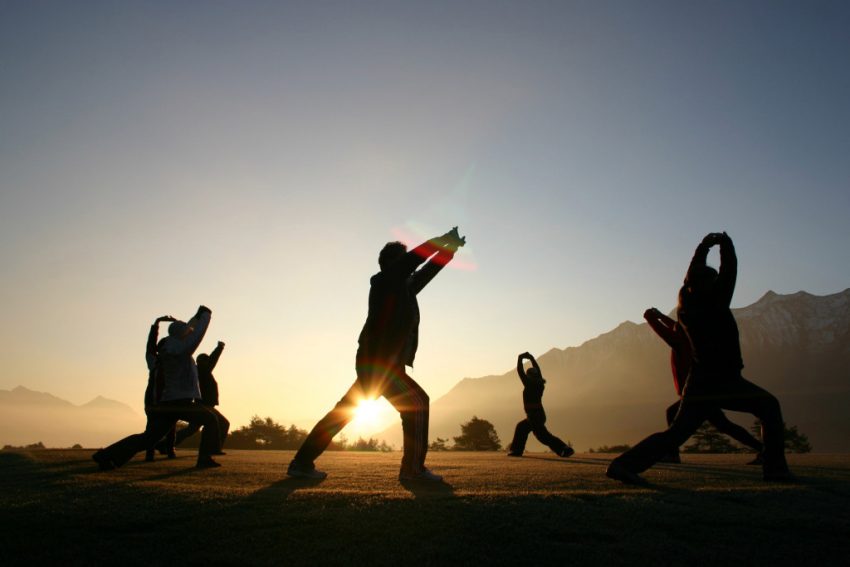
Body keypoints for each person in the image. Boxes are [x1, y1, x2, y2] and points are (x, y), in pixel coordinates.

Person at [607, 233, 792, 484]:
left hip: (698, 383)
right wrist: (725, 244)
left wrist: (703, 247)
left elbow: (692, 275)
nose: (718, 282)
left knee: (676, 434)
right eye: (713, 280)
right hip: (724, 380)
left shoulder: (685, 305)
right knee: (769, 407)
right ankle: (775, 469)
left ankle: (623, 465)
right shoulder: (715, 302)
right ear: (707, 285)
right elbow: (729, 271)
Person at [287, 227, 467, 481]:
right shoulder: (384, 281)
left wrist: (449, 251)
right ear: (392, 264)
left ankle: (301, 463)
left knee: (343, 413)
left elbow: (427, 271)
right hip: (381, 365)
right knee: (417, 403)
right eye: (403, 261)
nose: (411, 269)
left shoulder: (403, 287)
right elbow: (415, 260)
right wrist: (442, 240)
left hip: (378, 364)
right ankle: (412, 470)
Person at [92, 305, 224, 470]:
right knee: (210, 419)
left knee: (149, 438)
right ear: (181, 334)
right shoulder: (179, 349)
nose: (189, 331)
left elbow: (188, 329)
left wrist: (195, 316)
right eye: (186, 330)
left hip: (170, 403)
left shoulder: (169, 348)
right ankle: (204, 459)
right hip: (179, 403)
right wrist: (205, 315)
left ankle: (105, 456)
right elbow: (196, 334)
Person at [643, 307, 763, 464]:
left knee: (673, 414)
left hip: (697, 392)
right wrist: (660, 316)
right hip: (705, 390)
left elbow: (665, 332)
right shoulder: (690, 338)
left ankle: (672, 454)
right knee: (724, 425)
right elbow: (675, 326)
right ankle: (763, 450)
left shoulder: (679, 342)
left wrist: (650, 318)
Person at [158, 341, 230, 453]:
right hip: (205, 404)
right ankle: (213, 448)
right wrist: (219, 348)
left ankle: (164, 445)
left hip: (202, 403)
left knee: (191, 429)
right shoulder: (202, 370)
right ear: (202, 361)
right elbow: (212, 360)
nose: (208, 362)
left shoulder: (198, 371)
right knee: (223, 423)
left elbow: (211, 361)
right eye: (206, 360)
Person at [507, 352, 574, 458]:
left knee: (543, 436)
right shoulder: (539, 383)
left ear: (529, 376)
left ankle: (564, 449)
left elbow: (520, 372)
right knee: (522, 428)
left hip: (534, 415)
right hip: (537, 414)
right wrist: (532, 358)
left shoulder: (529, 384)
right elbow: (538, 371)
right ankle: (516, 450)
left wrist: (520, 358)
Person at [143, 315, 177, 462]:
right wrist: (156, 324)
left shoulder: (175, 361)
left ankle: (169, 450)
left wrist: (179, 328)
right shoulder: (154, 361)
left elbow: (183, 342)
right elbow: (150, 345)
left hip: (169, 398)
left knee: (170, 427)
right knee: (152, 426)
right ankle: (151, 453)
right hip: (154, 398)